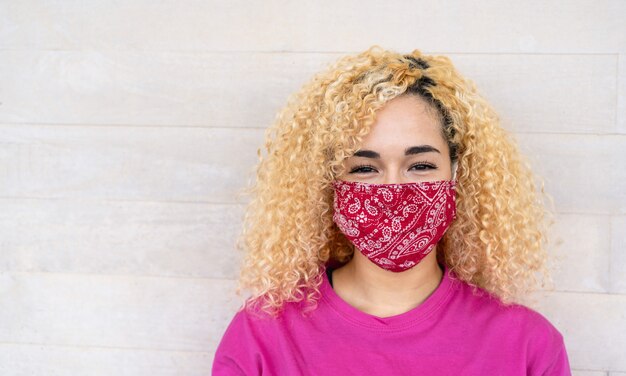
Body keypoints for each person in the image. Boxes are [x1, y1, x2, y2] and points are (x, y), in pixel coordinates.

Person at [212, 46, 571, 375]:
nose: (394, 189)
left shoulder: (528, 345)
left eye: (421, 166)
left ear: (458, 173)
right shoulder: (261, 338)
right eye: (365, 168)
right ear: (328, 184)